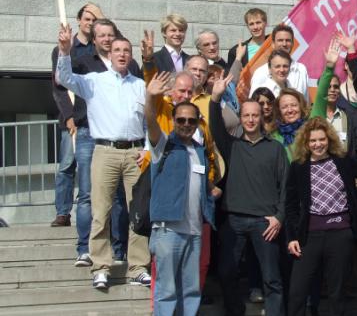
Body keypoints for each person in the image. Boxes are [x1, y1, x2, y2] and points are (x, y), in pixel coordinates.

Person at [55, 25, 150, 289]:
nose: (121, 54)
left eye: (126, 51)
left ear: (131, 56)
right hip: (105, 151)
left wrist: (149, 149)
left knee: (139, 212)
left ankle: (138, 266)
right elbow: (64, 79)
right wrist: (64, 51)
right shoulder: (95, 80)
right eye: (117, 49)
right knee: (101, 211)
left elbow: (149, 123)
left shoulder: (140, 85)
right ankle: (100, 266)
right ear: (109, 52)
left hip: (135, 153)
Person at [284, 117, 357, 316]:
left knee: (337, 292)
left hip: (340, 234)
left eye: (321, 139)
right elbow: (290, 205)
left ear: (329, 139)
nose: (318, 144)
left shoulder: (342, 161)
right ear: (306, 143)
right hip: (309, 237)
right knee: (297, 291)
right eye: (313, 141)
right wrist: (292, 237)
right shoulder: (298, 166)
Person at [208, 76, 289, 316]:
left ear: (262, 117)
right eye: (246, 116)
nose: (251, 120)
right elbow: (215, 125)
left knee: (272, 278)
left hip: (266, 222)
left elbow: (285, 186)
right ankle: (235, 311)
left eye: (255, 115)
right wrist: (215, 97)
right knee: (226, 272)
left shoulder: (275, 148)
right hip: (234, 220)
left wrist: (279, 217)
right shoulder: (231, 146)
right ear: (241, 119)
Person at [144, 72, 218, 315]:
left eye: (191, 121)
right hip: (168, 230)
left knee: (191, 290)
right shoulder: (163, 145)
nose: (186, 125)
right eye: (181, 120)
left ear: (197, 123)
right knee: (166, 291)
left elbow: (198, 183)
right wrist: (150, 98)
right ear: (174, 120)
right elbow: (152, 123)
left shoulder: (198, 151)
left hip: (194, 231)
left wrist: (210, 196)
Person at [50, 2, 103, 228]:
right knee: (66, 165)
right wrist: (69, 116)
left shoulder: (98, 50)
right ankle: (63, 212)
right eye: (87, 19)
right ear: (79, 21)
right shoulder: (64, 49)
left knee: (90, 169)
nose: (90, 23)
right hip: (72, 118)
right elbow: (59, 87)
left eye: (94, 20)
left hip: (94, 121)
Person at [311, 37, 357, 159]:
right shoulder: (312, 116)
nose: (332, 90)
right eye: (328, 86)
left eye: (335, 87)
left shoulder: (350, 116)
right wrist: (330, 66)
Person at [250, 24, 309, 98]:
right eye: (280, 40)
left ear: (293, 44)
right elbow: (254, 105)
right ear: (273, 44)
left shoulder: (301, 69)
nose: (284, 44)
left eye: (288, 40)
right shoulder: (260, 72)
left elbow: (306, 102)